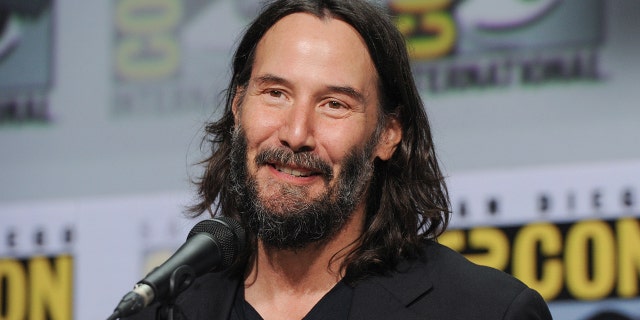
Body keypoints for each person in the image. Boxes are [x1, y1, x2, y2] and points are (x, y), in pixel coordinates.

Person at [127, 0, 552, 319]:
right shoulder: (169, 310)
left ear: (388, 134)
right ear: (238, 107)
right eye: (275, 93)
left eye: (334, 104)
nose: (296, 134)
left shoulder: (487, 312)